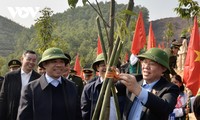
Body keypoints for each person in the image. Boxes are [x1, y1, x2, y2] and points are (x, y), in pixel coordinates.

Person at [17, 47, 82, 120]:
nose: (59, 65)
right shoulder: (30, 89)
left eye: (61, 62)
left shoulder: (71, 87)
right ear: (44, 64)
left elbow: (77, 115)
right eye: (54, 61)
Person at [119, 48, 180, 120]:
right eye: (144, 62)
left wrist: (138, 90)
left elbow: (165, 109)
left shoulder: (170, 88)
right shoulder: (135, 80)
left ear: (163, 68)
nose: (146, 67)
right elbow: (112, 89)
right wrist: (112, 78)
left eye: (152, 64)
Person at [81, 53, 126, 120]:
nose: (107, 68)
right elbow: (85, 114)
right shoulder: (89, 89)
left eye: (111, 65)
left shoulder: (124, 86)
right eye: (103, 65)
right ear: (97, 68)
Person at [0, 50, 41, 120]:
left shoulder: (38, 78)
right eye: (29, 59)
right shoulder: (10, 76)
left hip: (30, 116)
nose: (31, 62)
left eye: (34, 60)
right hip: (11, 115)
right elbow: (3, 98)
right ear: (22, 59)